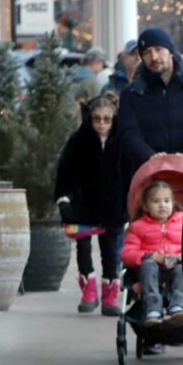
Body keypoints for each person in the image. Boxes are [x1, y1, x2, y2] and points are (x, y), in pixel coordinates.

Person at [54, 92, 128, 316]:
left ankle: (110, 296)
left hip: (112, 205)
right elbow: (65, 171)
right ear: (89, 117)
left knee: (111, 252)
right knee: (83, 247)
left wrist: (130, 202)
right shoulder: (78, 141)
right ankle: (88, 292)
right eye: (97, 119)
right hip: (83, 204)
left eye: (107, 119)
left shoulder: (122, 141)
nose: (102, 124)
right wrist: (64, 199)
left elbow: (129, 171)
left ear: (114, 118)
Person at [117, 27, 183, 172]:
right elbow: (129, 133)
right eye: (147, 52)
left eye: (158, 49)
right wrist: (150, 157)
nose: (154, 57)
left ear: (171, 52)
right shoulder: (131, 94)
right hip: (149, 173)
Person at [121, 181, 183, 327]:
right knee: (149, 264)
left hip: (175, 270)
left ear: (173, 203)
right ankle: (153, 309)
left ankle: (178, 307)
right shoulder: (138, 227)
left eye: (166, 201)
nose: (162, 205)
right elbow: (127, 254)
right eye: (156, 201)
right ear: (145, 206)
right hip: (151, 273)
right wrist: (147, 255)